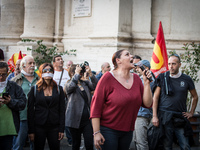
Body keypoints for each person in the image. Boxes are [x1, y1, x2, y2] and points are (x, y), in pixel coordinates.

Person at [90, 49, 153, 150]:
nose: (131, 56)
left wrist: (146, 83)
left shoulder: (137, 78)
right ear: (118, 60)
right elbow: (96, 106)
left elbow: (147, 103)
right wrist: (96, 132)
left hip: (127, 131)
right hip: (108, 130)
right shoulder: (107, 77)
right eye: (127, 54)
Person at [152, 54, 198, 150]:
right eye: (169, 64)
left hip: (180, 118)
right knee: (167, 146)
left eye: (174, 64)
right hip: (165, 117)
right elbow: (155, 97)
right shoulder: (162, 77)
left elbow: (195, 96)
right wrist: (155, 116)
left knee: (185, 145)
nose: (171, 66)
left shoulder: (186, 79)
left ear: (179, 64)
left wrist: (191, 112)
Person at [27, 63, 65, 150]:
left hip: (54, 126)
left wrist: (61, 129)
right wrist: (31, 131)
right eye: (45, 70)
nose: (48, 72)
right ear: (41, 73)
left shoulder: (59, 89)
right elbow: (30, 111)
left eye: (50, 70)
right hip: (39, 126)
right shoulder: (34, 89)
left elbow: (62, 109)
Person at [64, 64, 98, 150]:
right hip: (74, 118)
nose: (81, 74)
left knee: (89, 144)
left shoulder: (84, 83)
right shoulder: (68, 84)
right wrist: (76, 74)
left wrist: (90, 74)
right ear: (72, 73)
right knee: (76, 144)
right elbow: (70, 88)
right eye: (79, 72)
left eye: (81, 72)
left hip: (87, 119)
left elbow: (95, 86)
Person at [12, 55, 39, 150]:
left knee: (36, 144)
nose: (32, 65)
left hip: (37, 116)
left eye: (33, 63)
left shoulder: (39, 80)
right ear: (23, 66)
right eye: (30, 63)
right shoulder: (15, 81)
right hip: (21, 116)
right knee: (18, 144)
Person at [0, 61, 26, 150]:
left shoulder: (13, 85)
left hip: (8, 128)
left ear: (7, 73)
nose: (1, 77)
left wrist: (10, 101)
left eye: (3, 75)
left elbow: (22, 103)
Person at [133, 60, 155, 150]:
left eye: (138, 67)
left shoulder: (145, 79)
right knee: (137, 141)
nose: (137, 69)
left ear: (145, 68)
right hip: (141, 114)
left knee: (141, 142)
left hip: (142, 114)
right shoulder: (145, 78)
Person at [52, 55, 72, 146]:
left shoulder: (67, 72)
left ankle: (70, 139)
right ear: (54, 63)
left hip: (67, 99)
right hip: (55, 99)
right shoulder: (52, 73)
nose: (61, 61)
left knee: (67, 118)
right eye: (58, 60)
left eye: (61, 59)